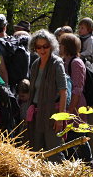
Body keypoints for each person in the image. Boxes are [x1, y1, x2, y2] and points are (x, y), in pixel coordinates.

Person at [27, 29, 67, 161]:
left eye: (45, 46)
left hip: (52, 114)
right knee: (36, 151)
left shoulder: (57, 64)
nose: (42, 50)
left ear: (51, 46)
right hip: (37, 114)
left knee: (54, 152)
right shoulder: (34, 65)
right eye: (39, 47)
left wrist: (60, 118)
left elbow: (63, 91)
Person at [59, 33, 92, 162]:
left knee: (78, 136)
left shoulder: (76, 63)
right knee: (70, 138)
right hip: (69, 105)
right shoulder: (64, 62)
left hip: (76, 105)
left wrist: (71, 110)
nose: (59, 47)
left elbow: (77, 89)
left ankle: (88, 163)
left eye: (61, 44)